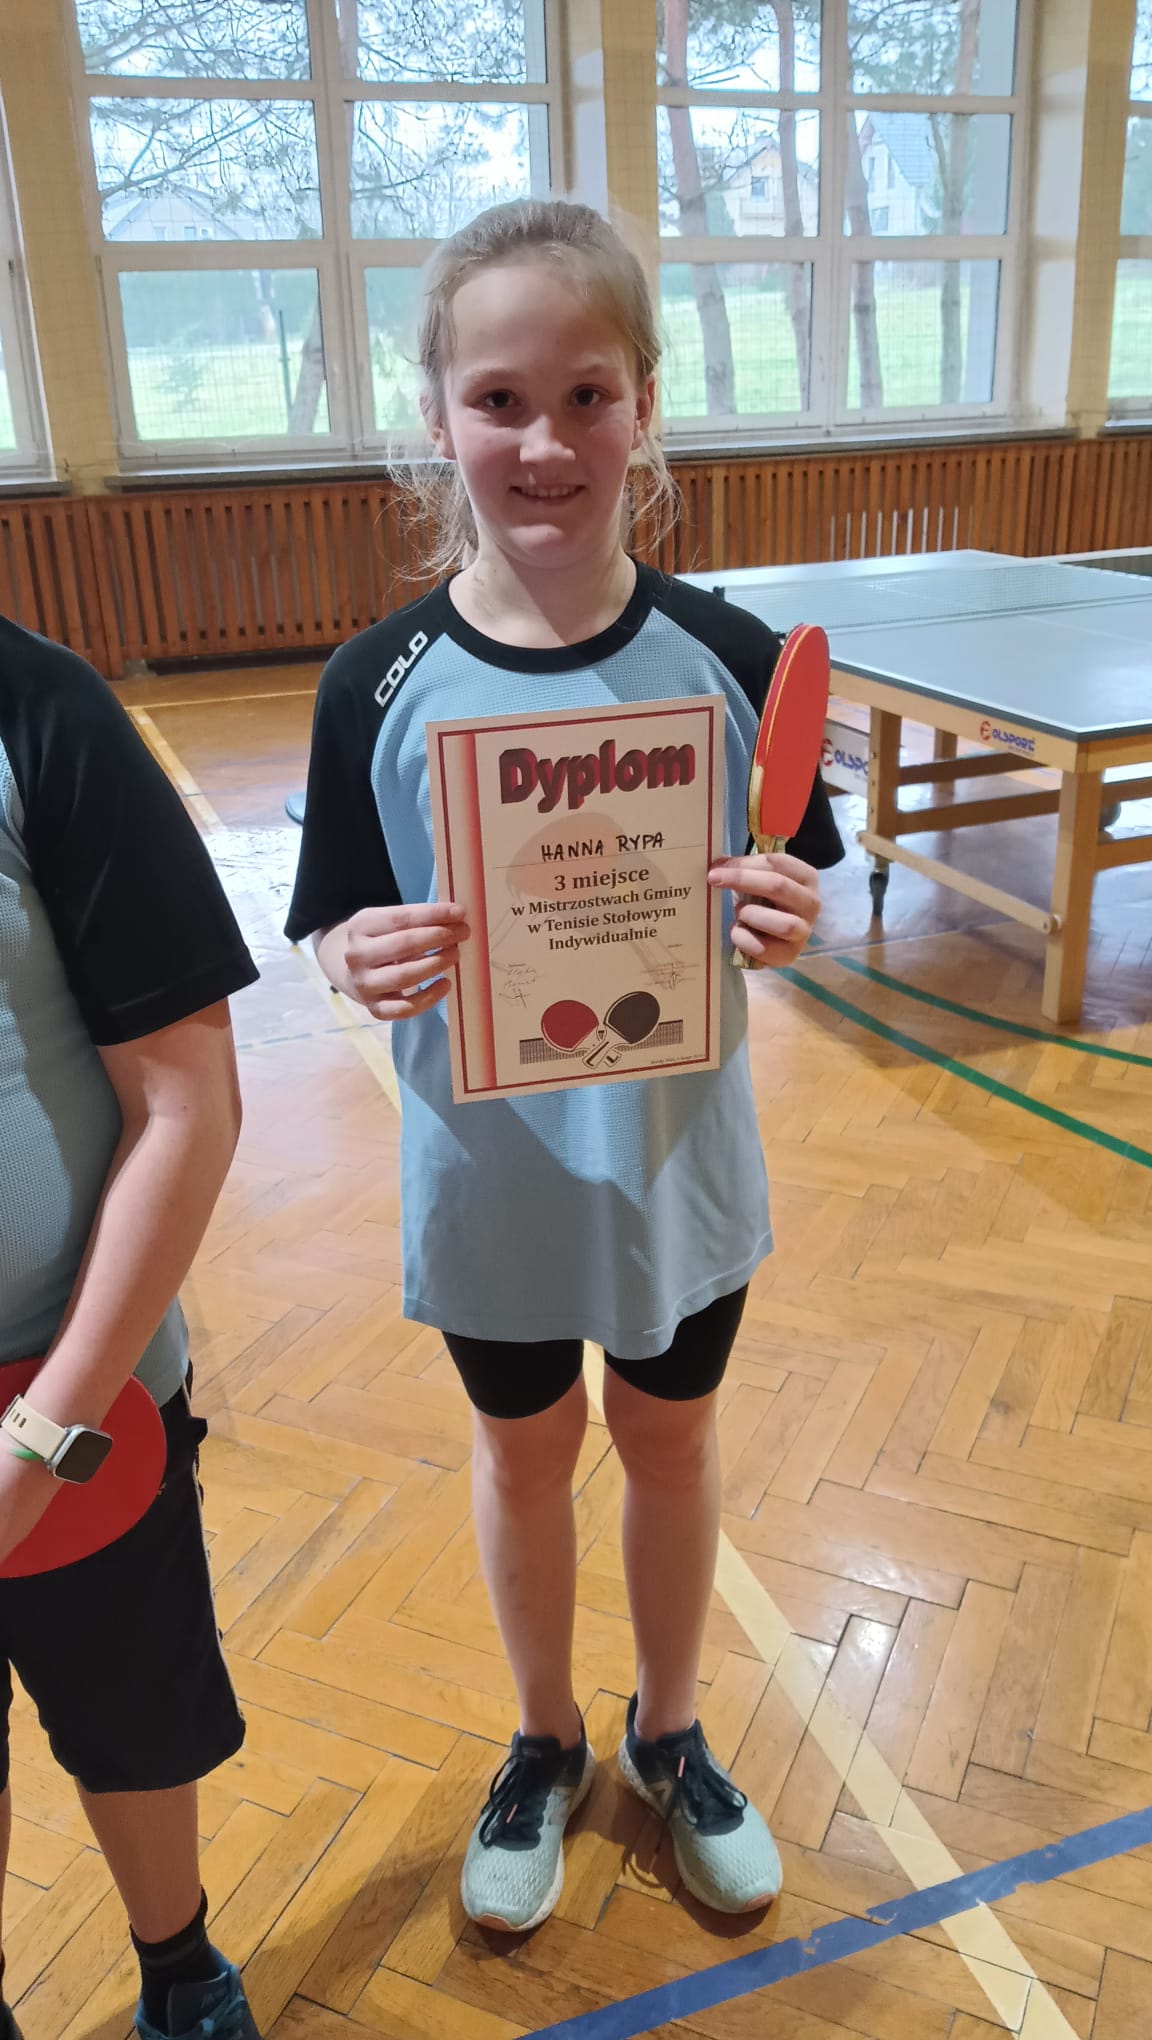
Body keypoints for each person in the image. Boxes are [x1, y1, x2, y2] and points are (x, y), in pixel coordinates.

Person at [286, 198, 844, 1936]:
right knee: (524, 1458)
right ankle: (542, 1742)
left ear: (644, 407)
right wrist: (353, 957)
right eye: (501, 400)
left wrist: (788, 915)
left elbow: (791, 874)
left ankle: (669, 1735)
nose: (545, 443)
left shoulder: (734, 661)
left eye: (587, 396)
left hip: (675, 1168)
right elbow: (337, 920)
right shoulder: (374, 681)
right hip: (493, 1182)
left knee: (669, 1449)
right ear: (439, 417)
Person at [0, 621, 261, 2038]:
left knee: (132, 1720)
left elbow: (187, 1102)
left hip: (76, 1403)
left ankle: (182, 1970)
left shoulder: (41, 713)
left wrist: (43, 1435)